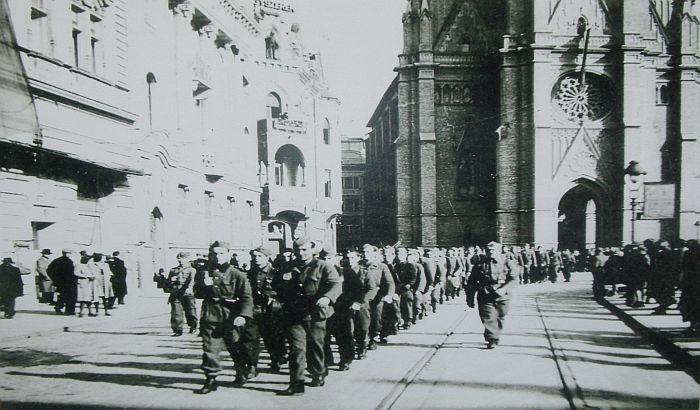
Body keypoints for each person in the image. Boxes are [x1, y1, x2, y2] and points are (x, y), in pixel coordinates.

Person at [278, 237, 341, 396]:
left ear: (313, 250)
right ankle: (297, 383)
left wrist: (327, 298)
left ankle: (318, 372)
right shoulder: (288, 267)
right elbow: (276, 285)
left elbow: (335, 285)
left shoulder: (323, 266)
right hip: (294, 314)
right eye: (298, 250)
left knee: (315, 346)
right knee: (296, 348)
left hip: (315, 314)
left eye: (305, 249)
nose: (301, 253)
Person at [194, 241, 253, 394]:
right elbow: (197, 294)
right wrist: (203, 285)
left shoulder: (237, 274)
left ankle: (241, 371)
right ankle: (211, 378)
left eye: (221, 253)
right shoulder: (204, 272)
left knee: (236, 347)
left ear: (228, 254)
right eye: (214, 253)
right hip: (210, 315)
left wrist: (243, 315)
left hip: (231, 316)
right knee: (210, 349)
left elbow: (247, 297)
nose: (217, 256)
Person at [465, 241, 518, 349]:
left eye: (493, 250)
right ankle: (492, 339)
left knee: (500, 316)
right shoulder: (480, 264)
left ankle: (494, 333)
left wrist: (504, 289)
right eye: (488, 250)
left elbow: (514, 279)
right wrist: (470, 297)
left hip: (503, 295)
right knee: (488, 317)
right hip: (485, 294)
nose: (491, 252)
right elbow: (472, 282)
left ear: (499, 251)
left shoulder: (507, 262)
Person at [335, 249, 378, 370]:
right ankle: (346, 359)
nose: (349, 260)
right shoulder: (340, 272)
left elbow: (371, 289)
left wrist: (360, 302)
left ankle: (362, 346)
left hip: (361, 304)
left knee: (362, 327)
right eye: (347, 258)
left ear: (358, 259)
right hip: (344, 305)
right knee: (346, 331)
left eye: (352, 258)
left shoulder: (364, 272)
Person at [247, 246, 287, 374]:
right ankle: (252, 366)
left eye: (259, 256)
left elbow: (284, 292)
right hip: (254, 309)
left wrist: (274, 299)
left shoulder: (276, 273)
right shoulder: (250, 272)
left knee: (272, 338)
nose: (256, 259)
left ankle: (277, 359)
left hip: (271, 311)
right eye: (254, 256)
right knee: (251, 339)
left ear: (267, 257)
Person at [164, 252, 198, 336]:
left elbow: (192, 280)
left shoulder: (192, 270)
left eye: (182, 258)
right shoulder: (173, 270)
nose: (180, 260)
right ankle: (178, 330)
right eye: (178, 258)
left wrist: (189, 288)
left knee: (190, 311)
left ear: (188, 259)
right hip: (176, 293)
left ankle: (193, 326)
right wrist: (171, 279)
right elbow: (166, 283)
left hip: (187, 294)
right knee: (176, 312)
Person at [47, 249, 77, 315]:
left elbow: (49, 270)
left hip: (60, 282)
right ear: (66, 253)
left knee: (62, 295)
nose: (69, 254)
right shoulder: (69, 261)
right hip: (69, 282)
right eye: (69, 253)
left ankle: (59, 307)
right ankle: (69, 311)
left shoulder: (57, 260)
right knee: (70, 296)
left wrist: (54, 278)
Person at [74, 251, 96, 317]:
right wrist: (86, 276)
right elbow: (76, 273)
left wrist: (92, 277)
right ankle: (81, 312)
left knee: (88, 299)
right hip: (82, 283)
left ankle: (90, 311)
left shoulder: (88, 266)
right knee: (82, 299)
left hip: (88, 283)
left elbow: (93, 273)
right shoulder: (78, 265)